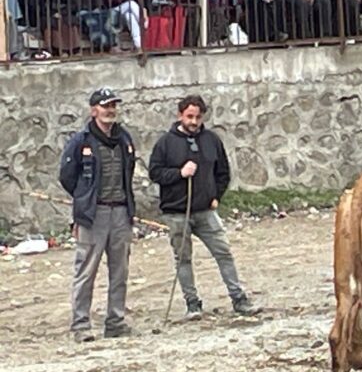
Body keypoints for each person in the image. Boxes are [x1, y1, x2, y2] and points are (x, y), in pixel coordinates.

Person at [148, 95, 261, 320]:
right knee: (183, 259)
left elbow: (223, 172)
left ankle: (238, 298)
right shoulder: (165, 143)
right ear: (180, 115)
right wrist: (179, 173)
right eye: (189, 116)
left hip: (206, 211)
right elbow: (155, 173)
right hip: (177, 212)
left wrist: (216, 196)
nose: (194, 121)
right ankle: (192, 303)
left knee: (224, 252)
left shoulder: (212, 140)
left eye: (198, 117)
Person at [58, 88, 137, 342]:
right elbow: (67, 176)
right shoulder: (80, 141)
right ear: (94, 110)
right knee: (86, 271)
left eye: (113, 105)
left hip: (121, 211)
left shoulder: (124, 138)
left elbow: (129, 171)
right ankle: (81, 325)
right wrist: (84, 199)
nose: (110, 110)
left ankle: (115, 322)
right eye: (105, 106)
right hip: (93, 215)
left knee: (120, 271)